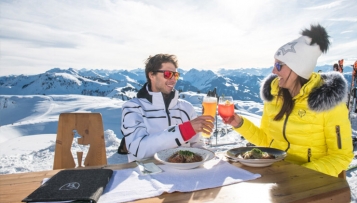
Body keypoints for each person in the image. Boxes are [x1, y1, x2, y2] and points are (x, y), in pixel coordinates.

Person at [224, 24, 353, 177]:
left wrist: (299, 175)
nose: (273, 71)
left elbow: (341, 157)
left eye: (279, 65)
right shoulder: (274, 96)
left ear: (298, 68)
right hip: (278, 176)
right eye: (274, 65)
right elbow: (268, 142)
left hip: (313, 183)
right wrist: (239, 124)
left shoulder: (327, 102)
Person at [117, 54, 214, 162]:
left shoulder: (186, 108)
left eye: (175, 75)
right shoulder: (133, 108)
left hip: (185, 173)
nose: (173, 80)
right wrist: (183, 131)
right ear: (152, 75)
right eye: (168, 74)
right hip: (148, 175)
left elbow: (197, 146)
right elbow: (138, 149)